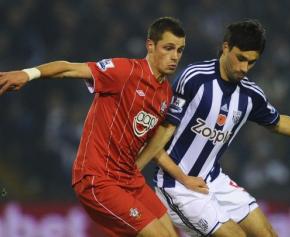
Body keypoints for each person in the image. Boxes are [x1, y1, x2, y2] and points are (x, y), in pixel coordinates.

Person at [135, 19, 290, 237]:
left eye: (251, 62)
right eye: (240, 58)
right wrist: (166, 176)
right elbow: (158, 135)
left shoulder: (250, 95)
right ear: (225, 48)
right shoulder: (194, 78)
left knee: (267, 233)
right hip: (177, 186)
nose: (244, 68)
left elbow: (278, 123)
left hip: (213, 180)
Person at [0, 17, 205, 237]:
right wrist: (27, 74)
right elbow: (69, 69)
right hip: (98, 179)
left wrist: (184, 179)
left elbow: (153, 147)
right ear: (150, 46)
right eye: (168, 48)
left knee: (172, 235)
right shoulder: (124, 71)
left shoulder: (165, 93)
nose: (175, 56)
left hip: (128, 178)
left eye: (180, 50)